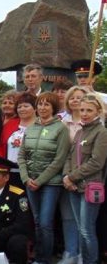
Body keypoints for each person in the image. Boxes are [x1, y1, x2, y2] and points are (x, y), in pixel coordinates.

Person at [17, 92, 71, 264]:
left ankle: (44, 259)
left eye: (46, 105)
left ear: (53, 108)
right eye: (40, 104)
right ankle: (39, 257)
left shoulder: (61, 128)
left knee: (46, 222)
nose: (42, 107)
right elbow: (22, 156)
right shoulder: (31, 127)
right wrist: (26, 178)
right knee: (38, 221)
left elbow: (60, 159)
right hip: (30, 181)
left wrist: (40, 181)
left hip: (51, 183)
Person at [63, 93, 107, 264]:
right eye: (82, 110)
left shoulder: (102, 132)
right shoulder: (81, 131)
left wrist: (72, 177)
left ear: (98, 111)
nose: (85, 113)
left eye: (89, 110)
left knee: (87, 229)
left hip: (90, 187)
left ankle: (91, 261)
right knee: (80, 228)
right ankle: (83, 260)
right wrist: (67, 177)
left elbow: (97, 162)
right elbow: (69, 156)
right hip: (73, 186)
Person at [58, 86, 89, 264]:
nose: (76, 100)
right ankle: (70, 252)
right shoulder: (62, 123)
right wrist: (67, 177)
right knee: (68, 217)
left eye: (80, 97)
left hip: (87, 178)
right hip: (66, 176)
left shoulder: (96, 122)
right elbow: (62, 153)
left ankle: (84, 256)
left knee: (85, 222)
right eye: (72, 98)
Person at [0, 92, 36, 188]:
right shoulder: (10, 124)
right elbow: (1, 146)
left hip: (32, 175)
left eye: (26, 106)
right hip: (10, 173)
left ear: (35, 108)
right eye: (19, 107)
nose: (22, 109)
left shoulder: (41, 125)